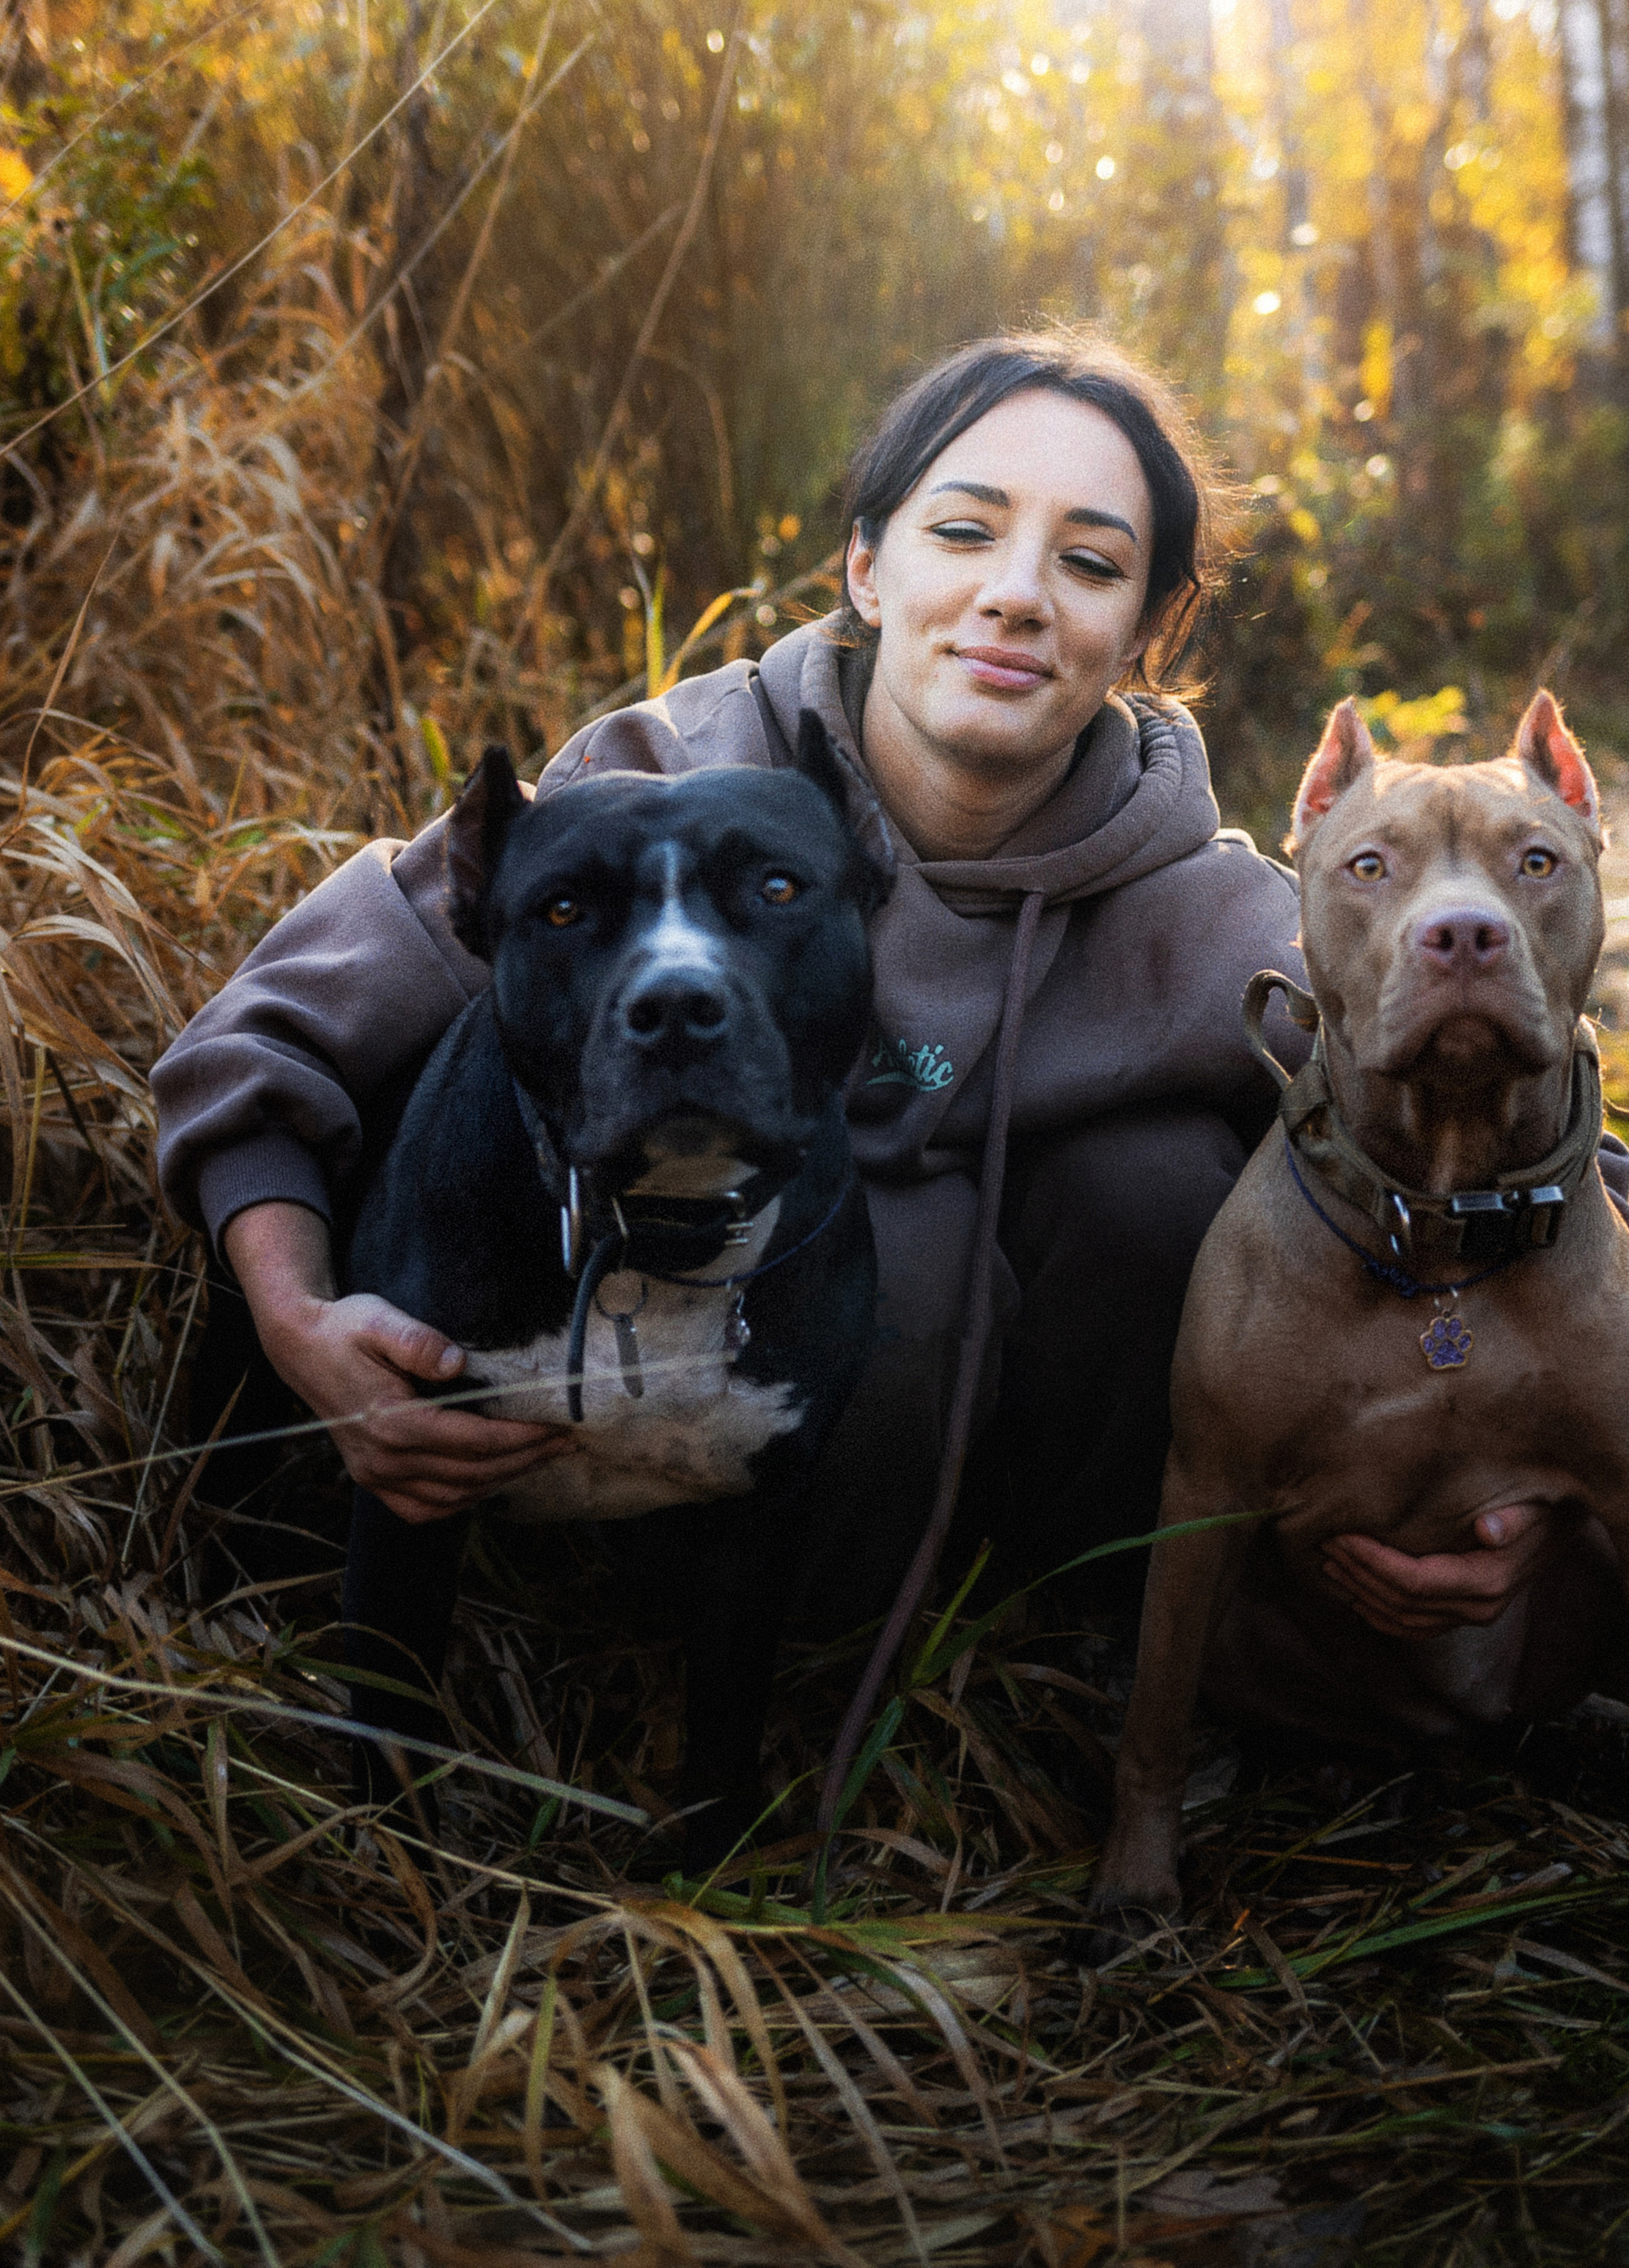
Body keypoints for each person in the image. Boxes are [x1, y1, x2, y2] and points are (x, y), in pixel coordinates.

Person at [152, 333, 1550, 1637]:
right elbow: (267, 1041)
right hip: (571, 1405)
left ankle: (1060, 1631)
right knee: (905, 1258)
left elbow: (1535, 1141)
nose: (1014, 592)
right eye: (964, 531)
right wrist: (301, 1322)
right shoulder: (653, 787)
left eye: (1090, 562)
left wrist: (1511, 1482)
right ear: (868, 569)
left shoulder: (1206, 913)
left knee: (1158, 1190)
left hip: (949, 1473)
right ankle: (587, 1623)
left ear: (1148, 629)